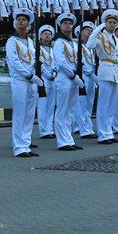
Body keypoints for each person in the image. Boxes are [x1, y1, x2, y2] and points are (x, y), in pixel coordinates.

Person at [6, 8, 42, 157]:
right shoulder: (11, 41)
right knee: (20, 114)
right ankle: (19, 147)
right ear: (15, 23)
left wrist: (33, 73)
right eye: (19, 19)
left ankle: (26, 144)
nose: (21, 21)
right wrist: (28, 74)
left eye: (24, 19)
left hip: (31, 80)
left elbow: (33, 58)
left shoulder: (29, 41)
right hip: (20, 80)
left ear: (28, 24)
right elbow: (14, 61)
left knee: (29, 114)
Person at [51, 12, 83, 152]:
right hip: (65, 79)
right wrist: (73, 75)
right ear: (60, 26)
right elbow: (61, 63)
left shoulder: (73, 43)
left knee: (70, 111)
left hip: (73, 79)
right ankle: (62, 141)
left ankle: (68, 139)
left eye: (70, 23)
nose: (68, 25)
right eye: (65, 23)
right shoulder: (59, 42)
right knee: (62, 111)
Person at [91, 9, 118, 144]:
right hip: (105, 69)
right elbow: (89, 45)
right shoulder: (100, 36)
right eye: (109, 22)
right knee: (103, 104)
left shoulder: (115, 38)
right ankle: (103, 134)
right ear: (105, 23)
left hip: (115, 71)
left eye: (114, 22)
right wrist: (97, 30)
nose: (112, 24)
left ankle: (109, 132)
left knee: (111, 105)